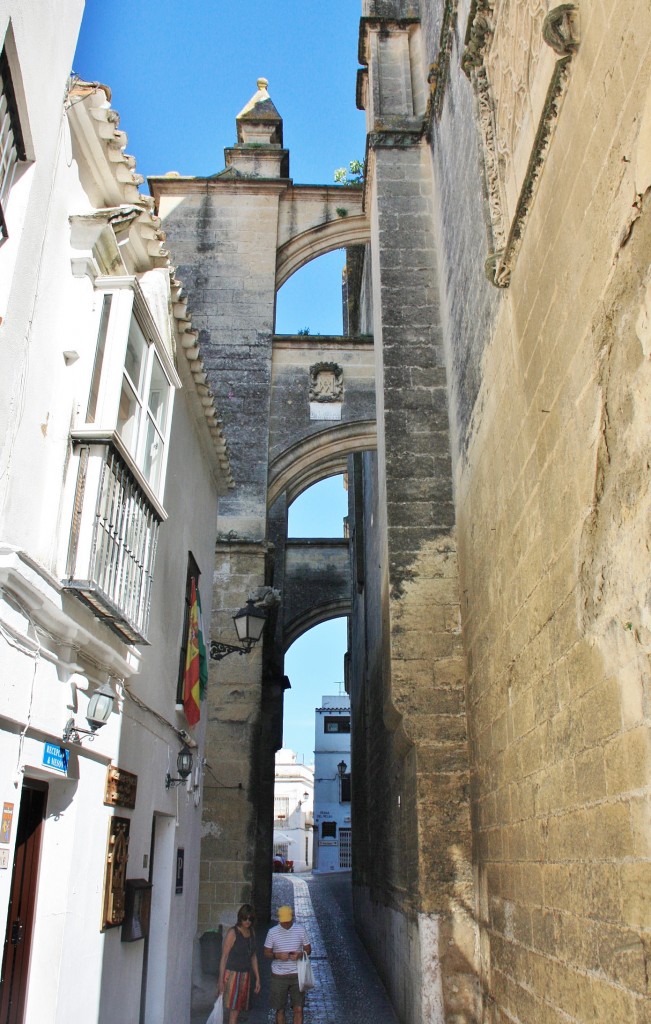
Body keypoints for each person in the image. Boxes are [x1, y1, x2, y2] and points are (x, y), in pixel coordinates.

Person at [264, 905, 312, 1024]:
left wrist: (300, 954)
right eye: (283, 921)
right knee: (280, 1010)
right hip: (279, 976)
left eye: (287, 920)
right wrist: (277, 955)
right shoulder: (272, 932)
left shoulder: (300, 930)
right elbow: (266, 953)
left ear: (292, 918)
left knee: (299, 1009)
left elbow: (308, 949)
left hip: (297, 975)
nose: (285, 923)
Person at [218, 903, 261, 1024]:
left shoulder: (252, 933)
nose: (247, 921)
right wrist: (221, 979)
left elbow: (253, 956)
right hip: (232, 974)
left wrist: (257, 978)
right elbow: (224, 957)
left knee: (237, 1009)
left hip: (245, 975)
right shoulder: (233, 933)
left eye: (250, 919)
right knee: (231, 1009)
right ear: (240, 917)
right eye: (245, 918)